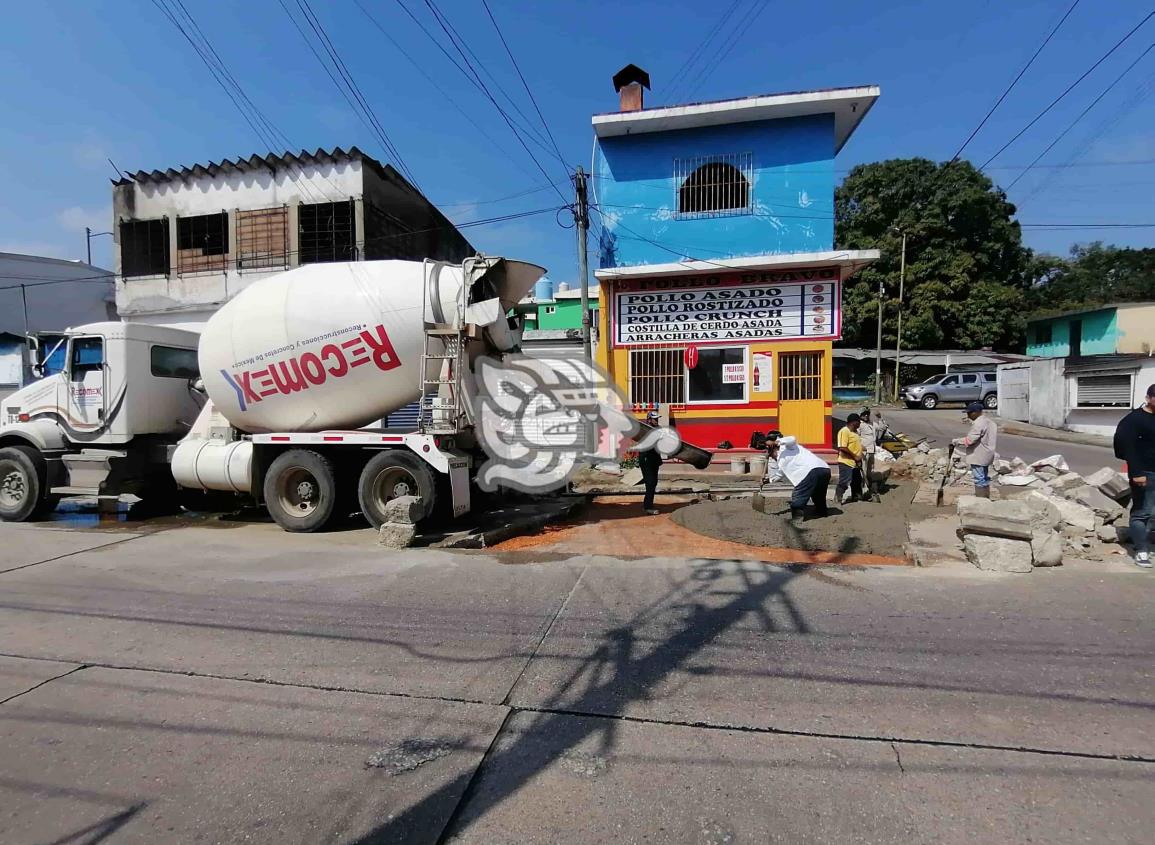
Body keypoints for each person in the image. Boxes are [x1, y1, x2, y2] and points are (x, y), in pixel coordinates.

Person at [1113, 383, 1155, 568]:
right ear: (1148, 398)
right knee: (1142, 512)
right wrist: (1136, 472)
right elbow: (1125, 447)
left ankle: (1145, 541)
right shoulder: (1134, 419)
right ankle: (1141, 550)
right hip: (1144, 472)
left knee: (1153, 514)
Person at [766, 431, 831, 520]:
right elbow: (779, 474)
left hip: (811, 471)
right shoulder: (781, 461)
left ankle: (797, 518)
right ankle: (822, 512)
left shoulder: (786, 446)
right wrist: (767, 480)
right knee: (818, 495)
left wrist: (777, 442)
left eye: (771, 455)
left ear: (774, 449)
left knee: (798, 496)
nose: (772, 457)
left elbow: (792, 438)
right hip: (824, 470)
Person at [953, 401, 997, 498]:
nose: (968, 416)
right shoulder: (990, 422)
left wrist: (956, 441)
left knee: (979, 478)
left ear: (975, 412)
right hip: (987, 454)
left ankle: (980, 500)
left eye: (969, 413)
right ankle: (985, 497)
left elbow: (970, 440)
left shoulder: (978, 424)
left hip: (978, 455)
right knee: (984, 477)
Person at [638, 410, 664, 515]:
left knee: (653, 483)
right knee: (651, 483)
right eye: (655, 419)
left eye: (657, 418)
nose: (657, 420)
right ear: (649, 420)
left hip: (655, 460)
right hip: (646, 460)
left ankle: (649, 503)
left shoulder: (659, 429)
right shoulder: (645, 430)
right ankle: (647, 507)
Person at [835, 413, 864, 504]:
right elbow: (842, 447)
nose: (860, 424)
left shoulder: (855, 433)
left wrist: (860, 455)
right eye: (859, 422)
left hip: (855, 462)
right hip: (846, 462)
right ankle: (838, 498)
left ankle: (857, 497)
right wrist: (855, 456)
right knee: (844, 481)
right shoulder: (844, 431)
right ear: (853, 422)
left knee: (857, 481)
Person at [858, 408, 880, 502]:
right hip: (864, 452)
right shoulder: (859, 425)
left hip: (871, 451)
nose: (866, 416)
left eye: (867, 414)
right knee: (863, 472)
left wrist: (880, 418)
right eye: (864, 414)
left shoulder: (872, 424)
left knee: (870, 472)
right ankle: (863, 492)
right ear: (860, 415)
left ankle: (869, 491)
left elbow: (881, 428)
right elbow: (856, 438)